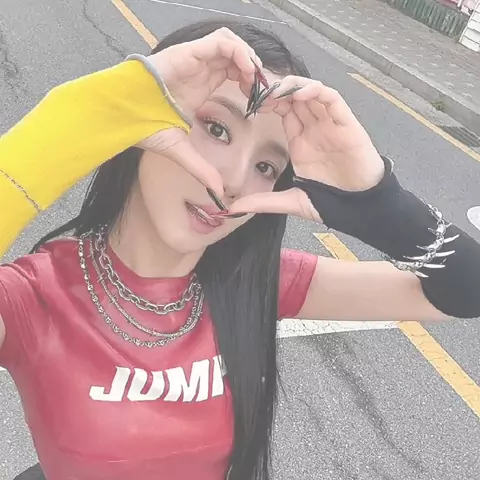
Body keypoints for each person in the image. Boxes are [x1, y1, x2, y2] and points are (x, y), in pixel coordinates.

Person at [0, 19, 478, 480]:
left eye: (267, 167)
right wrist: (91, 116)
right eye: (217, 129)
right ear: (150, 120)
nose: (233, 181)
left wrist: (381, 206)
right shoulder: (32, 297)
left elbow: (468, 289)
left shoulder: (255, 281)